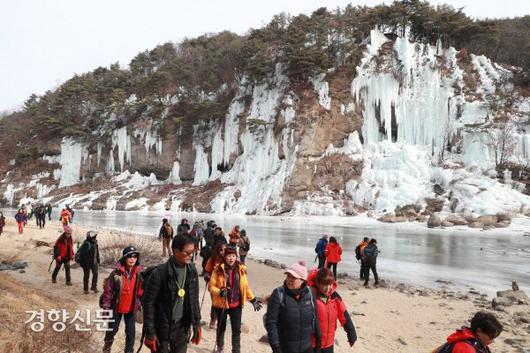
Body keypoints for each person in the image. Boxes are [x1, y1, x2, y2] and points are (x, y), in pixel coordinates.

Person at [142, 235, 202, 353]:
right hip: (162, 327)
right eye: (187, 252)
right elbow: (148, 303)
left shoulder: (192, 271)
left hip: (182, 327)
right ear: (175, 251)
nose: (191, 256)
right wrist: (150, 333)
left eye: (193, 252)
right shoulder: (159, 273)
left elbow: (194, 299)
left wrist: (196, 323)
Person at [209, 247, 262, 353]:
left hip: (236, 305)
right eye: (229, 256)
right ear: (225, 257)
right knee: (221, 328)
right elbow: (211, 287)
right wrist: (220, 292)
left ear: (236, 257)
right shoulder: (218, 269)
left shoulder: (241, 269)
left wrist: (253, 299)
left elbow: (245, 287)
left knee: (236, 330)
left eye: (233, 256)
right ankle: (220, 348)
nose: (231, 258)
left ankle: (236, 350)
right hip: (222, 304)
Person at [265, 260, 321, 353]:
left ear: (302, 280)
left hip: (307, 347)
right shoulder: (278, 293)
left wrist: (318, 339)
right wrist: (276, 346)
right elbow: (271, 322)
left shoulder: (310, 293)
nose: (289, 280)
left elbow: (315, 317)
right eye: (288, 276)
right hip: (285, 348)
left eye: (293, 277)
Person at [101, 246, 144, 353]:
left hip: (131, 309)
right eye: (130, 256)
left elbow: (142, 292)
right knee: (112, 330)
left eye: (135, 256)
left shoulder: (139, 273)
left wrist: (140, 304)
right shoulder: (116, 274)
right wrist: (106, 308)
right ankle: (106, 349)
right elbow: (108, 292)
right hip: (117, 308)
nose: (132, 259)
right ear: (124, 258)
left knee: (131, 334)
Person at [308, 267, 357, 353]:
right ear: (317, 283)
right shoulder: (310, 297)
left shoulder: (335, 297)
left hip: (329, 344)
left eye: (330, 284)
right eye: (324, 285)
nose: (328, 288)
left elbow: (344, 315)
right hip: (313, 344)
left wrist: (351, 333)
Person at [433, 311, 503, 353]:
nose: (492, 341)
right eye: (491, 337)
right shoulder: (465, 348)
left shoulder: (464, 337)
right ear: (479, 331)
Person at [205, 242, 227, 329]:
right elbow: (207, 270)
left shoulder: (229, 259)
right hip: (214, 285)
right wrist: (207, 276)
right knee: (215, 303)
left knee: (224, 304)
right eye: (221, 250)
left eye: (224, 250)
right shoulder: (212, 259)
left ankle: (221, 320)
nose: (223, 252)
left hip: (225, 285)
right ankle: (213, 320)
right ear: (217, 251)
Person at [77, 230, 100, 294]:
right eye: (95, 237)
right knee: (86, 276)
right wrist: (86, 264)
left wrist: (98, 259)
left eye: (96, 236)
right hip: (86, 264)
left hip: (94, 262)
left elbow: (97, 252)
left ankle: (94, 287)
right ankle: (86, 289)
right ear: (91, 237)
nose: (95, 238)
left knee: (95, 274)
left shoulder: (95, 243)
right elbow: (83, 255)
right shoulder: (86, 244)